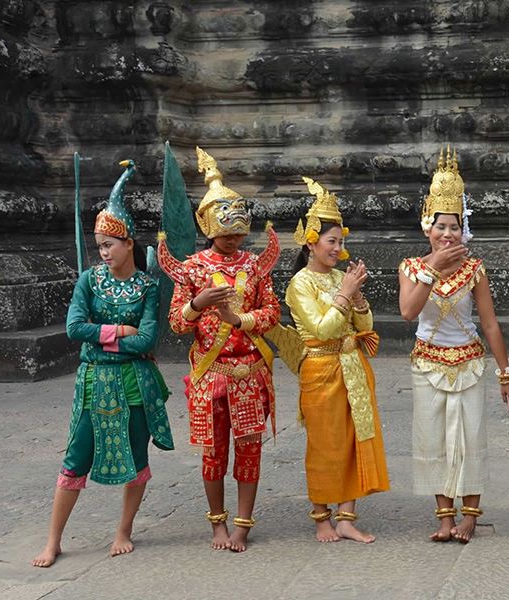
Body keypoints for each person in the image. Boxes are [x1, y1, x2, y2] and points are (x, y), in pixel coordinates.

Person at [32, 160, 174, 567]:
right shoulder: (89, 281)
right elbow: (75, 328)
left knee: (136, 454)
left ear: (129, 242)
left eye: (110, 244)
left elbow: (149, 338)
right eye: (99, 246)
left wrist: (108, 334)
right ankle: (53, 540)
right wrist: (120, 334)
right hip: (94, 380)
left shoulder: (148, 286)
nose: (104, 252)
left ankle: (123, 530)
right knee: (76, 456)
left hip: (134, 382)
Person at [157, 147, 281, 552]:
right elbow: (176, 323)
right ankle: (217, 524)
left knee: (249, 450)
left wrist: (241, 321)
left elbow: (272, 312)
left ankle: (243, 523)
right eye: (226, 233)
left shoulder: (254, 266)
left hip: (248, 371)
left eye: (239, 233)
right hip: (210, 374)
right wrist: (199, 303)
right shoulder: (192, 269)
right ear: (209, 227)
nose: (234, 240)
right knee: (213, 454)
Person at [398, 147, 509, 544]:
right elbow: (408, 312)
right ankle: (444, 516)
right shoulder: (410, 268)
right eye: (440, 227)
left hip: (468, 362)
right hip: (427, 364)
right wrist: (431, 269)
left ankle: (470, 515)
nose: (447, 234)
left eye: (453, 226)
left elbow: (490, 324)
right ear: (426, 227)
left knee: (468, 438)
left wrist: (506, 374)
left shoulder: (475, 269)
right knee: (433, 439)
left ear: (462, 228)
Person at [284, 176, 390, 543]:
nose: (338, 248)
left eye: (341, 242)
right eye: (332, 241)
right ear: (312, 243)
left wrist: (358, 301)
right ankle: (321, 516)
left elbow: (365, 324)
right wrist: (346, 294)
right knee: (325, 443)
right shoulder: (300, 283)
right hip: (320, 366)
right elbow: (323, 329)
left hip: (353, 365)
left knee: (352, 438)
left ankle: (347, 516)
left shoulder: (342, 276)